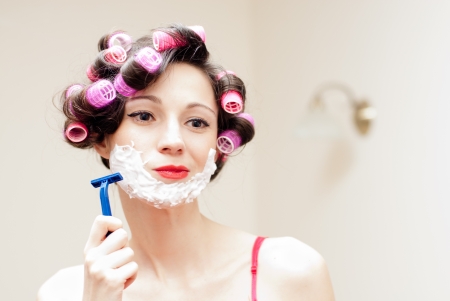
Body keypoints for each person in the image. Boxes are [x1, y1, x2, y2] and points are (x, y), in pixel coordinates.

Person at [37, 24, 335, 301]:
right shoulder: (62, 293)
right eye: (144, 116)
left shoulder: (291, 273)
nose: (174, 141)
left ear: (219, 146)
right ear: (102, 139)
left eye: (196, 122)